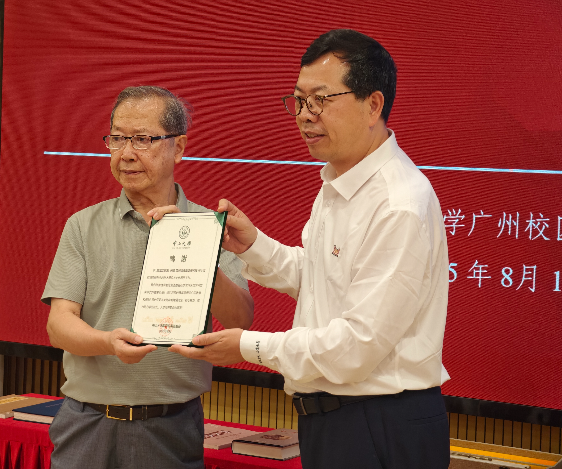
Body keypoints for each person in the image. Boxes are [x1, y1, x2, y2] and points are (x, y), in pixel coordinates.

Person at [162, 29, 451, 468]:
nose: (304, 116)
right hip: (335, 421)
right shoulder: (339, 181)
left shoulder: (398, 203)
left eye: (320, 100)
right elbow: (322, 278)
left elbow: (357, 345)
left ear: (373, 105)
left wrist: (248, 347)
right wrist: (252, 245)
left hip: (380, 423)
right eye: (298, 101)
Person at [42, 86, 254, 469]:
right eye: (117, 139)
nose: (126, 153)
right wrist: (108, 342)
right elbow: (59, 326)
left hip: (170, 425)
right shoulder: (82, 225)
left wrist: (197, 251)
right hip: (86, 421)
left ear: (179, 147)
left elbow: (241, 319)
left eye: (142, 139)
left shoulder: (208, 227)